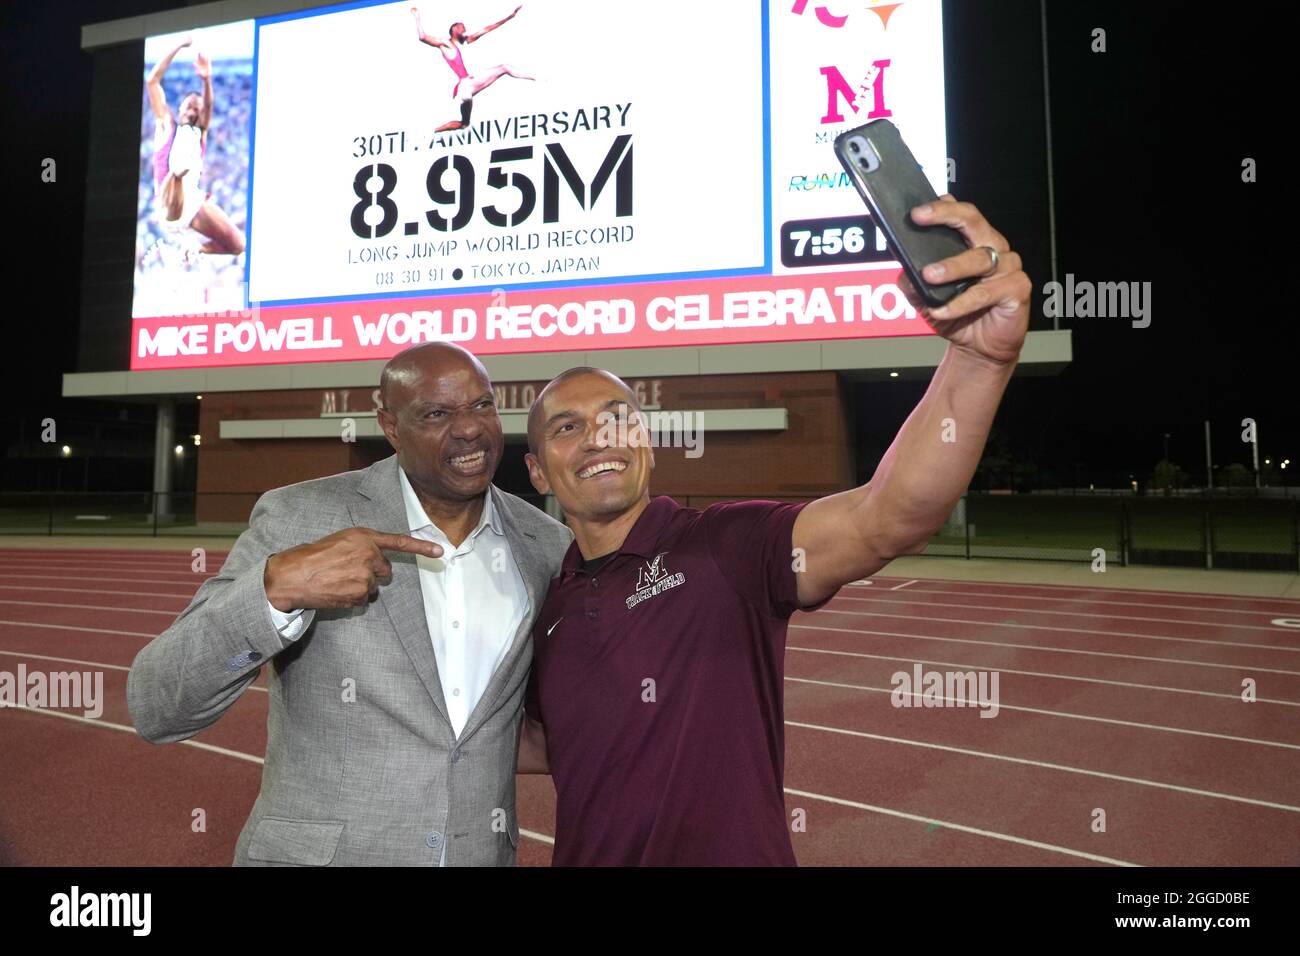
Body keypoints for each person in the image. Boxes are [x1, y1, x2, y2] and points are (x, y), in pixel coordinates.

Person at [520, 195, 1032, 865]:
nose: (598, 437)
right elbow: (546, 739)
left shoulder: (725, 547)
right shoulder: (547, 603)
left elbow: (888, 517)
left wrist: (979, 363)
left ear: (645, 439)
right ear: (536, 470)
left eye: (617, 416)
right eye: (567, 427)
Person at [127, 342, 572, 866]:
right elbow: (158, 706)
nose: (470, 428)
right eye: (436, 412)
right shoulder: (300, 518)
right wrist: (273, 591)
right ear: (389, 426)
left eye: (482, 405)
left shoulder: (546, 545)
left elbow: (548, 719)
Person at [146, 36, 244, 256]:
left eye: (196, 110)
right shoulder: (166, 126)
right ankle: (177, 176)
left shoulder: (200, 133)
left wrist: (207, 79)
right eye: (189, 107)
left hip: (193, 205)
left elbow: (208, 105)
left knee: (239, 245)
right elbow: (152, 81)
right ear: (180, 107)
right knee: (176, 175)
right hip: (169, 203)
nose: (192, 111)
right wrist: (179, 45)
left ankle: (194, 250)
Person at [410, 5, 534, 133]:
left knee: (504, 68)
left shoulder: (467, 41)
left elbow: (487, 29)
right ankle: (431, 130)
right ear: (454, 29)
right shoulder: (446, 44)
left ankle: (432, 131)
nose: (465, 28)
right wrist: (417, 17)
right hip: (464, 87)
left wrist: (509, 17)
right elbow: (422, 37)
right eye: (461, 26)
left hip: (472, 84)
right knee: (502, 69)